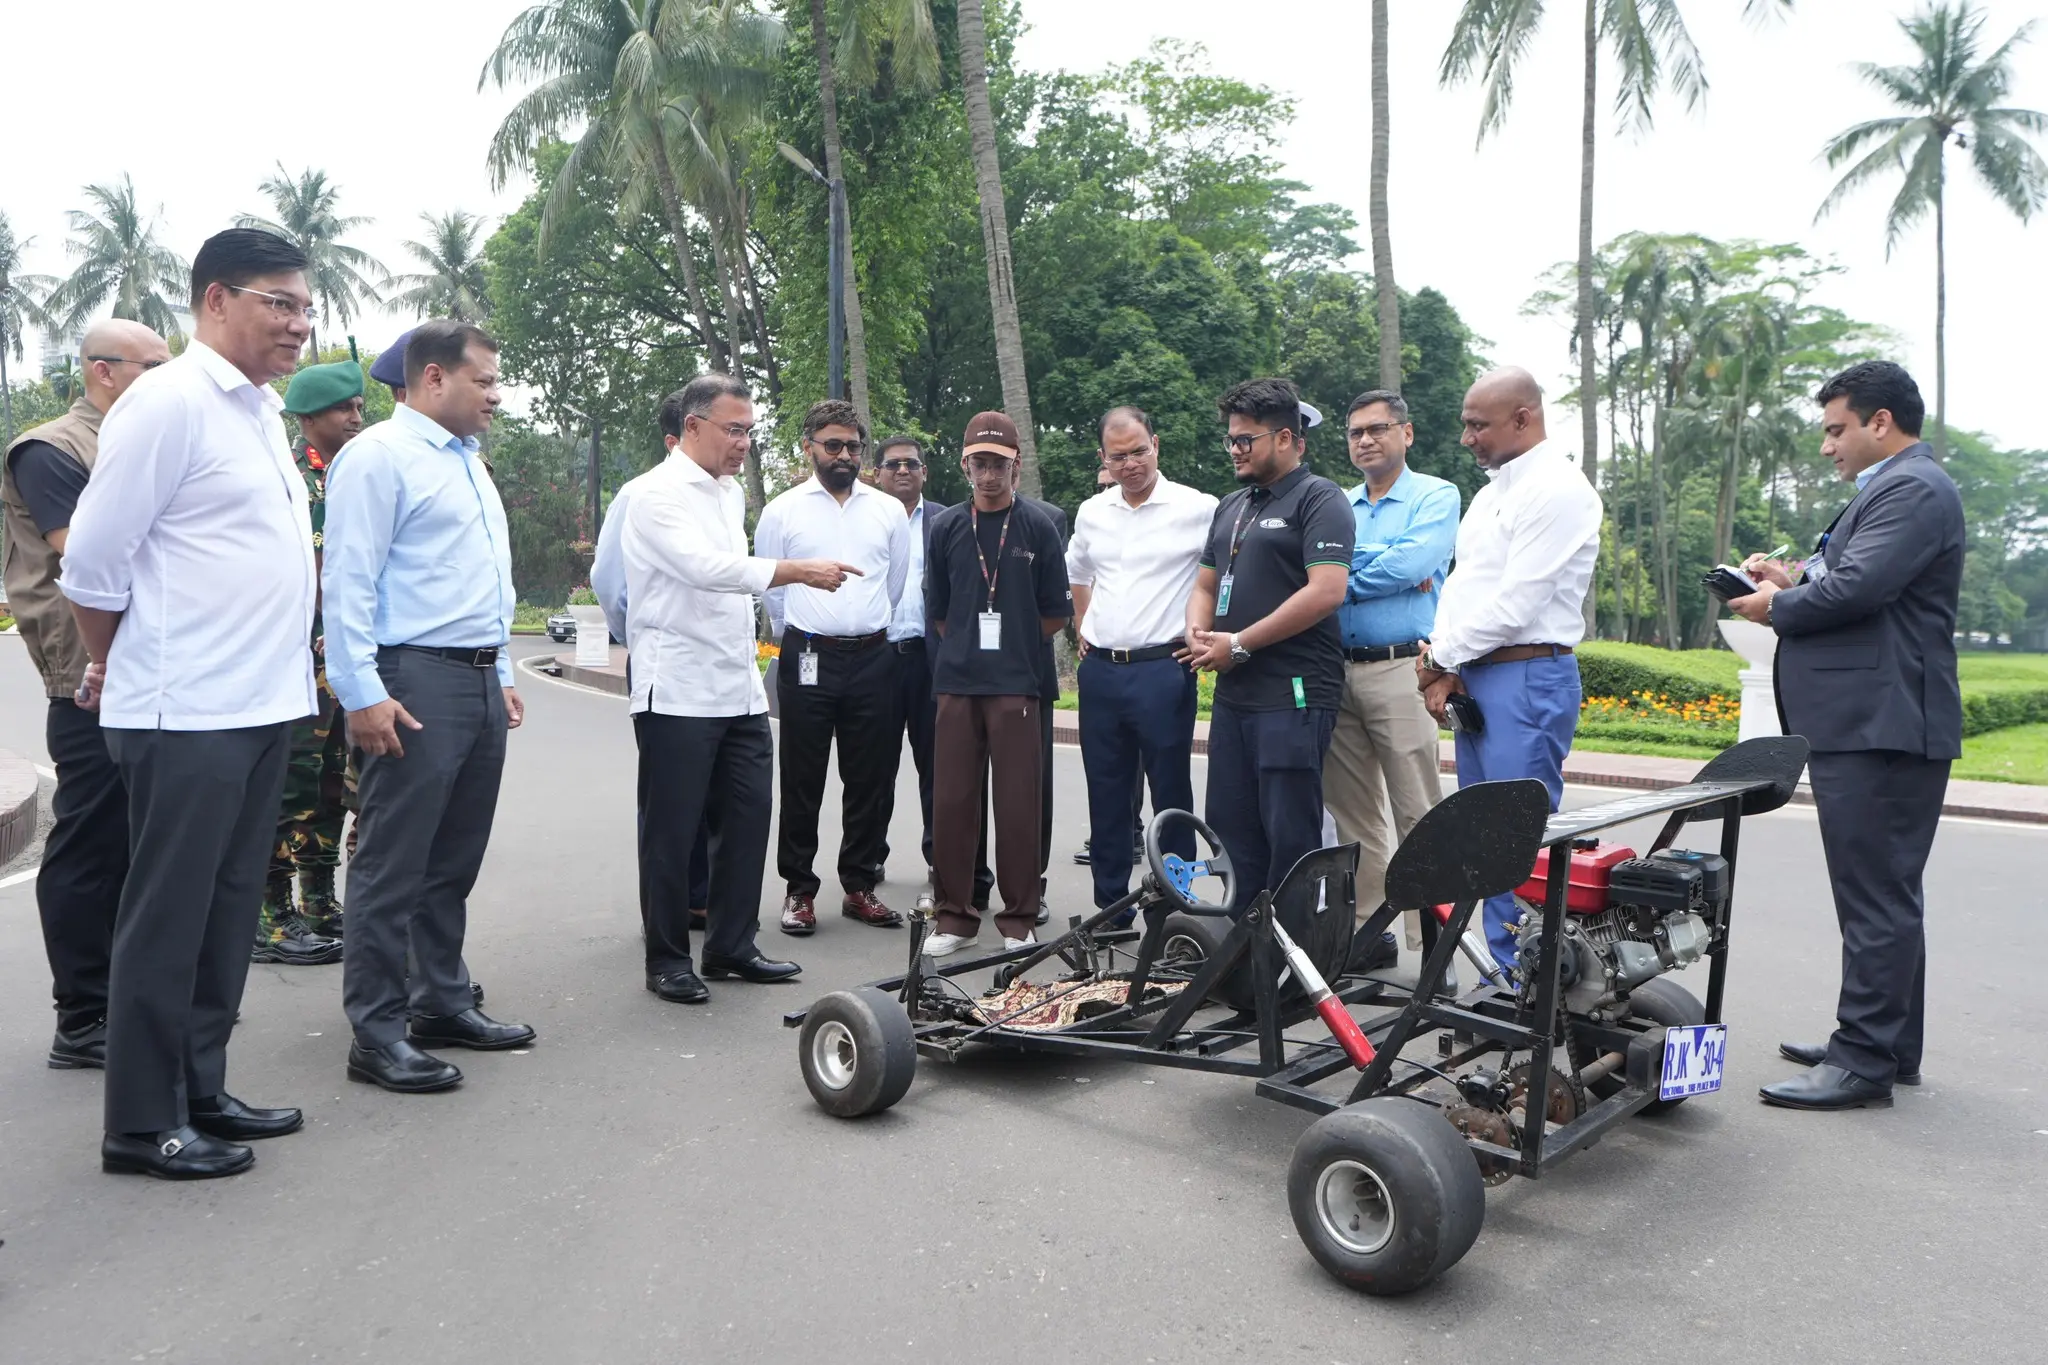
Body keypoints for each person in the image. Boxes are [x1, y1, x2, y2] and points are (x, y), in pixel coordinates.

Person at [59, 228, 317, 1179]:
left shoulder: (257, 410)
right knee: (167, 921)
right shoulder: (167, 403)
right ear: (216, 300)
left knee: (223, 917)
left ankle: (199, 1088)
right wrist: (114, 660)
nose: (298, 323)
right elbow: (90, 561)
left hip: (257, 704)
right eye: (277, 302)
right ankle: (139, 1121)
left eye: (304, 306)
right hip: (184, 710)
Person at [1730, 362, 1962, 1112]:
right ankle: (1888, 1044)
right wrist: (1790, 579)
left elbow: (1858, 587)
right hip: (1873, 719)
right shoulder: (1897, 489)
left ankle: (1863, 1058)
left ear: (1880, 422)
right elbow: (1857, 582)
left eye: (1836, 429)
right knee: (1885, 891)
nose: (1828, 446)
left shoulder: (1914, 488)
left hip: (1881, 723)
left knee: (1875, 896)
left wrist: (1776, 604)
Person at [323, 320, 533, 1094]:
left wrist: (502, 668)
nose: (496, 395)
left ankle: (439, 1000)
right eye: (485, 381)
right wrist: (362, 691)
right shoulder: (377, 458)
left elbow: (484, 580)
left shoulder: (468, 462)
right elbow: (347, 580)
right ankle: (377, 1031)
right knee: (391, 864)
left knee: (451, 859)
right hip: (412, 680)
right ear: (435, 378)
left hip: (475, 679)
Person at [622, 374, 837, 1003]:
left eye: (749, 430)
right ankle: (667, 959)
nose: (744, 442)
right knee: (673, 831)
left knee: (746, 821)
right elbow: (702, 569)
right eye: (733, 429)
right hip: (679, 689)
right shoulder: (654, 494)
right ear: (692, 426)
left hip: (738, 689)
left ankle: (731, 945)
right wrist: (792, 570)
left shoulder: (726, 494)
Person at [2, 318, 169, 1070]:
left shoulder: (142, 437)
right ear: (104, 371)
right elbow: (89, 548)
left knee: (144, 840)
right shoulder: (52, 448)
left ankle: (132, 999)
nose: (168, 378)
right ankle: (84, 1014)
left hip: (150, 665)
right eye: (153, 365)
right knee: (93, 840)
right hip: (88, 676)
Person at [1416, 368, 1601, 969]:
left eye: (1478, 424)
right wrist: (1443, 666)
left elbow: (1516, 605)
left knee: (1514, 837)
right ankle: (1502, 973)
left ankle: (1529, 980)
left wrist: (1440, 658)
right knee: (1482, 835)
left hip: (1526, 676)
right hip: (1480, 674)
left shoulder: (1558, 488)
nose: (1467, 437)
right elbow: (1464, 587)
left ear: (1524, 417)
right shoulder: (1494, 492)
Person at [1181, 378, 1353, 916]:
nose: (1235, 449)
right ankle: (1243, 965)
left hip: (1294, 692)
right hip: (1237, 697)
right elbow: (1207, 582)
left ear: (1285, 438)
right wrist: (1198, 629)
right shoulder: (1232, 505)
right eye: (1230, 440)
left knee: (1290, 841)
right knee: (1233, 833)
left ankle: (1293, 974)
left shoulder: (1320, 499)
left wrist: (1241, 644)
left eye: (1245, 440)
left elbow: (1326, 591)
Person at [754, 400, 911, 936]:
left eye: (853, 447)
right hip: (809, 656)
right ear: (809, 448)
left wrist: (861, 626)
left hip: (873, 657)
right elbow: (772, 589)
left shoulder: (888, 511)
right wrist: (805, 624)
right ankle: (799, 890)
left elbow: (893, 585)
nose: (845, 455)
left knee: (870, 777)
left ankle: (859, 885)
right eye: (833, 445)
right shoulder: (783, 511)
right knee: (802, 777)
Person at [922, 411, 1072, 956]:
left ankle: (1018, 919)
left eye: (999, 464)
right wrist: (968, 644)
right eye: (979, 463)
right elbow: (938, 611)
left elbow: (1056, 611)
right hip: (958, 684)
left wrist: (1009, 649)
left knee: (1018, 804)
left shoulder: (1037, 526)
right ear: (965, 465)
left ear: (1017, 466)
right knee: (954, 802)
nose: (989, 475)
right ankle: (955, 918)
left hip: (1017, 686)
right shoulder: (945, 528)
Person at [1065, 405, 1216, 925]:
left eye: (1138, 451)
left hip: (1163, 668)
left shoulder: (1199, 508)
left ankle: (1176, 911)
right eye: (1118, 456)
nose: (1129, 464)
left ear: (1157, 445)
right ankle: (1110, 908)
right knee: (1106, 793)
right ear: (1103, 459)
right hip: (1102, 672)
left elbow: (1221, 577)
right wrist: (1084, 627)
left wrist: (1205, 634)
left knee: (1170, 793)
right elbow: (1078, 573)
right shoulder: (1093, 511)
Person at [1324, 390, 1459, 957]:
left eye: (1378, 428)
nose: (1366, 440)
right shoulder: (1335, 504)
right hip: (1337, 669)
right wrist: (1386, 566)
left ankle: (1437, 944)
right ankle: (1369, 937)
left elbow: (1415, 562)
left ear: (1407, 433)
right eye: (1356, 432)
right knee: (1353, 818)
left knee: (1418, 812)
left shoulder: (1436, 494)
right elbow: (1387, 567)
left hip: (1404, 667)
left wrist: (1337, 578)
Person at [256, 355, 368, 967]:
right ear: (306, 418)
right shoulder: (290, 477)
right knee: (287, 786)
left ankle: (320, 904)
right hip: (294, 658)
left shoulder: (356, 471)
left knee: (332, 787)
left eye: (357, 406)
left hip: (344, 658)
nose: (356, 416)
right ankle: (271, 917)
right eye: (342, 408)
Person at [593, 472, 716, 932]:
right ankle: (668, 910)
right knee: (669, 797)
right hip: (664, 662)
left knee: (714, 792)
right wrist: (639, 633)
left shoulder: (723, 493)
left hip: (716, 667)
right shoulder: (640, 494)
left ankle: (703, 898)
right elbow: (608, 582)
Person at [871, 435, 946, 903]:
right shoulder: (862, 519)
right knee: (872, 766)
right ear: (876, 472)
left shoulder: (947, 521)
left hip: (930, 660)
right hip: (875, 658)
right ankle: (868, 856)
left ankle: (941, 855)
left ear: (924, 472)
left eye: (911, 464)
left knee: (937, 766)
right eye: (893, 464)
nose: (902, 471)